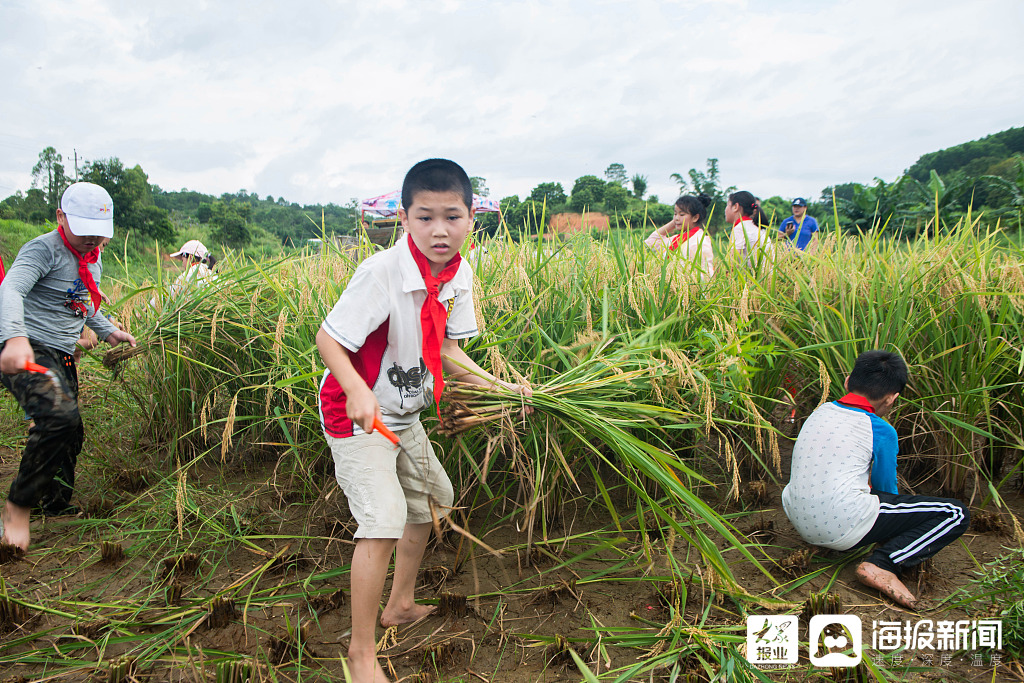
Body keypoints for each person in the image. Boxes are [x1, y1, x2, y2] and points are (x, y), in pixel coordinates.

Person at [315, 159, 532, 683]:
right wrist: (358, 392)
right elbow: (329, 341)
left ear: (470, 220)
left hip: (405, 413)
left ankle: (400, 604)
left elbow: (449, 349)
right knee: (383, 521)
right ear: (406, 220)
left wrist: (505, 389)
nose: (440, 229)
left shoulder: (459, 274)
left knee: (433, 501)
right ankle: (362, 654)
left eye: (452, 216)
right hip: (359, 416)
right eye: (426, 216)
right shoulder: (382, 273)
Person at [0, 182, 137, 550]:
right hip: (28, 345)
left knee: (70, 431)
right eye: (84, 230)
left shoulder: (92, 256)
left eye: (98, 233)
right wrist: (14, 338)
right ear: (61, 217)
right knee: (58, 418)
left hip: (60, 352)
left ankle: (55, 504)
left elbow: (78, 299)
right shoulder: (42, 249)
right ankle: (16, 510)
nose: (92, 239)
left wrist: (108, 331)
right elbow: (10, 290)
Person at [782, 350, 968, 609]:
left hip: (798, 518)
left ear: (847, 382)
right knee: (955, 513)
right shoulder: (879, 429)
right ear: (892, 398)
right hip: (839, 527)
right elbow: (885, 490)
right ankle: (883, 564)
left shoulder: (819, 412)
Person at [644, 193, 715, 280]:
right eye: (675, 214)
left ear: (695, 217)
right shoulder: (675, 239)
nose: (677, 218)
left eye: (682, 214)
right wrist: (674, 223)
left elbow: (706, 275)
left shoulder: (700, 242)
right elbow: (650, 244)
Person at [725, 191, 775, 266]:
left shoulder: (740, 228)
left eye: (727, 205)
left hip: (754, 277)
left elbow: (731, 263)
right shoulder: (758, 228)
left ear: (736, 207)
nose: (725, 210)